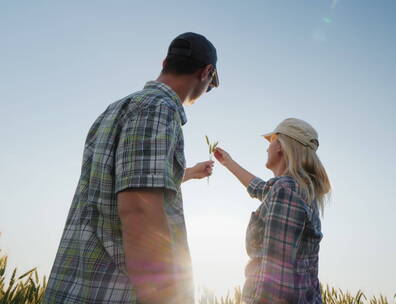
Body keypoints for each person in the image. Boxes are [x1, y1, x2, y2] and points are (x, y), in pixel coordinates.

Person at [43, 32, 219, 304]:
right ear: (207, 72)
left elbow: (121, 183)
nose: (208, 89)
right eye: (212, 83)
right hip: (115, 291)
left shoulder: (117, 108)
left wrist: (189, 173)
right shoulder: (158, 109)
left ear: (165, 62)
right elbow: (139, 208)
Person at [214, 118, 331, 304]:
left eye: (271, 142)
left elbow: (277, 282)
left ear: (280, 146)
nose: (266, 148)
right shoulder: (297, 190)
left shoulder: (286, 190)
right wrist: (229, 163)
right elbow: (260, 188)